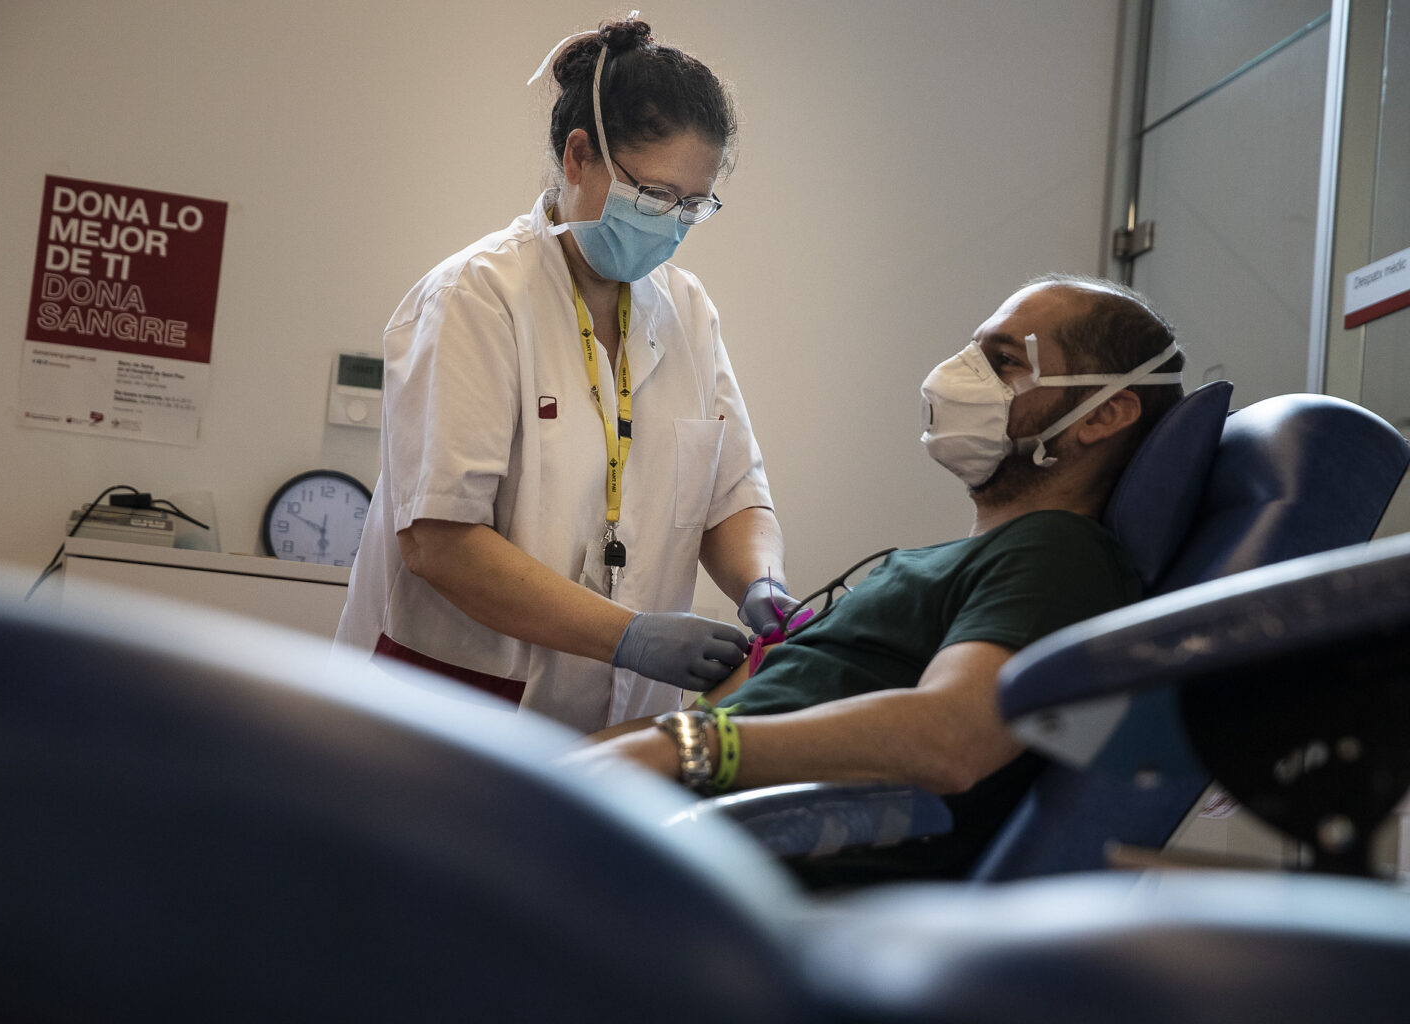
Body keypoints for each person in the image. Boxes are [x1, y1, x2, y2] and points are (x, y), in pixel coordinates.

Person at [573, 274, 1186, 878]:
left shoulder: (1058, 552)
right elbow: (725, 712)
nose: (960, 372)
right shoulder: (947, 564)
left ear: (1103, 416)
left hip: (715, 873)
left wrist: (688, 748)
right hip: (657, 832)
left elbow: (951, 740)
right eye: (974, 349)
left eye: (1002, 361)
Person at [333, 17, 796, 734]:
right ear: (580, 156)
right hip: (460, 708)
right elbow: (438, 541)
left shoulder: (687, 311)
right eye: (653, 198)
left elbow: (733, 497)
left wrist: (763, 582)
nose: (671, 226)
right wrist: (628, 636)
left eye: (692, 206)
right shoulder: (477, 297)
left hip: (624, 726)